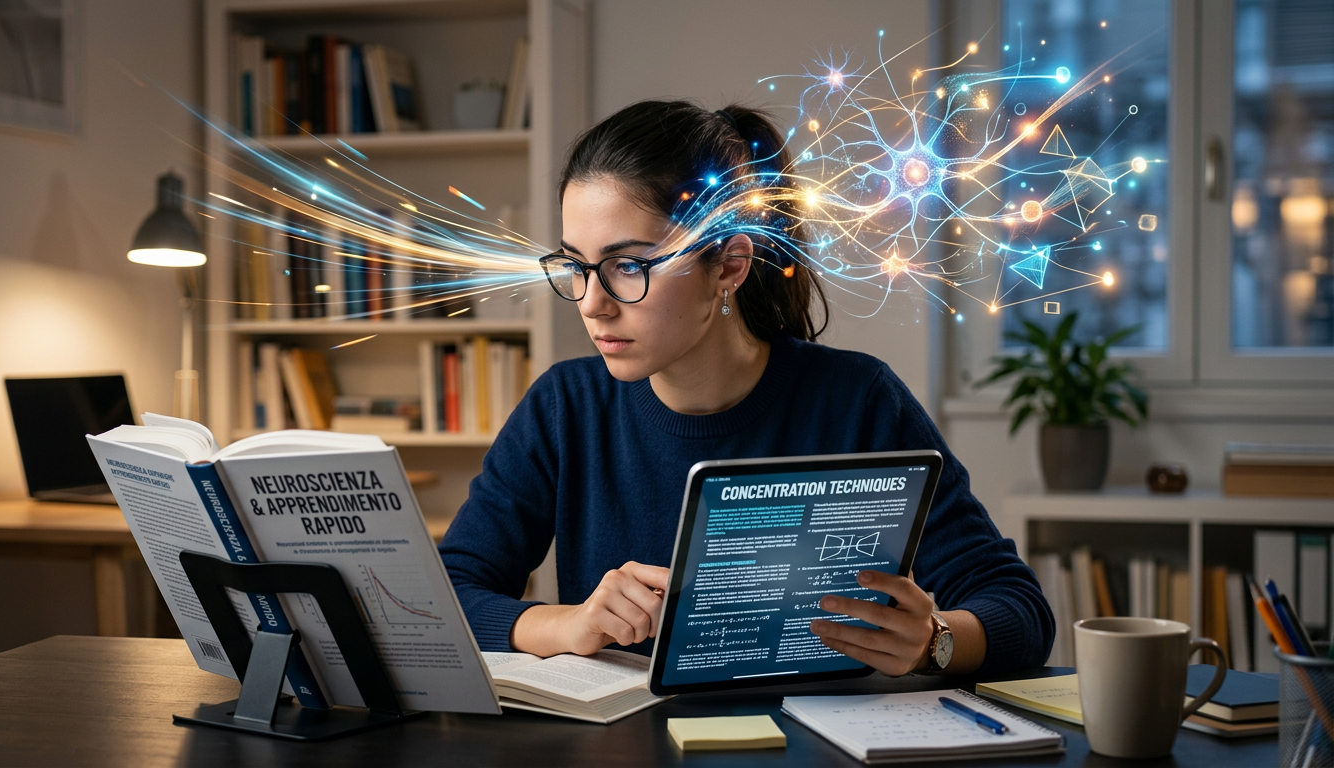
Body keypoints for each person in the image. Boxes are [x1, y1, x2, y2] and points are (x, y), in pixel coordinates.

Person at [438, 100, 1054, 676]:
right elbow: (446, 596)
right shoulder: (564, 408)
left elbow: (1019, 608)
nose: (592, 303)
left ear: (730, 265)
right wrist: (564, 623)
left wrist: (933, 642)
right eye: (576, 265)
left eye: (628, 265)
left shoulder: (856, 399)